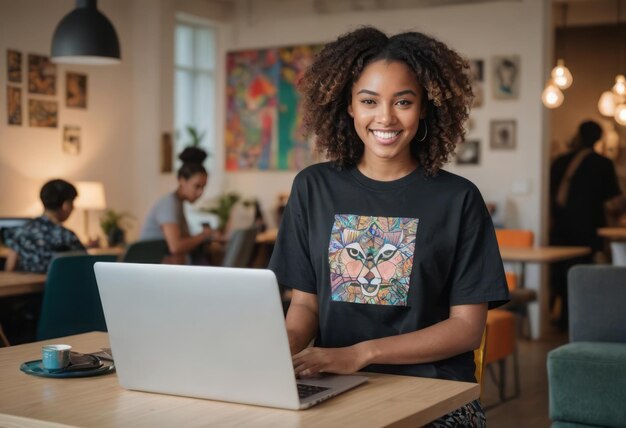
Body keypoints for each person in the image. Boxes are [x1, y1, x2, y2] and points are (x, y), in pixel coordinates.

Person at [268, 27, 509, 427]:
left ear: (424, 108)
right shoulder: (313, 188)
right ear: (348, 106)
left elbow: (467, 328)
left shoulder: (459, 199)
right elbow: (306, 305)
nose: (385, 117)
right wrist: (279, 351)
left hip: (436, 394)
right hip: (334, 385)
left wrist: (361, 353)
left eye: (403, 101)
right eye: (369, 101)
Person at [549, 120, 622, 329]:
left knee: (560, 275)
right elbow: (614, 202)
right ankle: (581, 323)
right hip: (588, 229)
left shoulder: (559, 161)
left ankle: (562, 319)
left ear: (578, 135)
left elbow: (549, 197)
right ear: (598, 139)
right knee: (584, 276)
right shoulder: (603, 164)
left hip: (559, 228)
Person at [140, 147, 214, 264]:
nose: (201, 192)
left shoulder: (178, 204)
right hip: (151, 268)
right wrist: (204, 236)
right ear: (181, 180)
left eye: (203, 187)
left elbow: (185, 238)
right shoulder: (168, 204)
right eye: (197, 186)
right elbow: (175, 247)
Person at [2, 179, 85, 273]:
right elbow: (85, 266)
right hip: (58, 286)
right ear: (65, 205)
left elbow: (10, 268)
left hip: (27, 286)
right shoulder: (66, 236)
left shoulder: (21, 230)